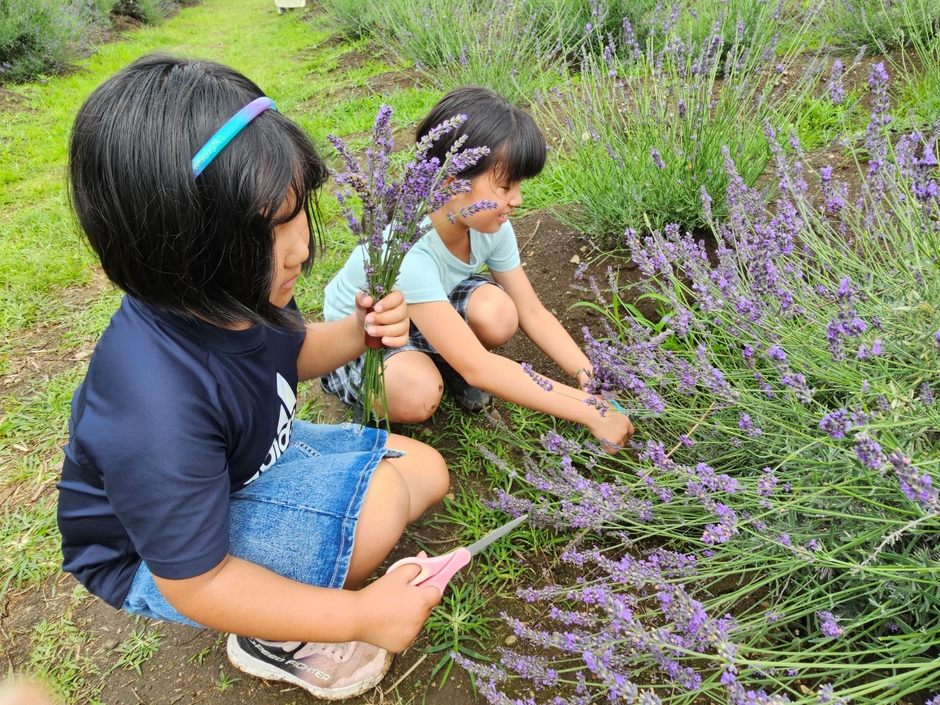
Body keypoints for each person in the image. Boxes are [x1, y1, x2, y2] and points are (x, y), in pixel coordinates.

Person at [56, 54, 449, 700]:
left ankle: (290, 586)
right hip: (154, 559)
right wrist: (359, 615)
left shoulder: (234, 290)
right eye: (272, 228)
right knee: (380, 509)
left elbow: (288, 355)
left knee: (426, 473)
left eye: (298, 211)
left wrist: (357, 334)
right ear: (180, 245)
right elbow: (198, 580)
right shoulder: (153, 406)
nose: (300, 246)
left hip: (239, 466)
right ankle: (274, 634)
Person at [322, 86, 635, 450]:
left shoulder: (488, 225)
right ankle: (384, 391)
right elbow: (480, 368)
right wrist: (590, 410)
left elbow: (530, 310)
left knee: (500, 312)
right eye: (505, 186)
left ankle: (442, 355)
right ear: (454, 183)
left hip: (416, 310)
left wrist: (590, 378)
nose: (516, 200)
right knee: (418, 391)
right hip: (360, 339)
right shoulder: (409, 250)